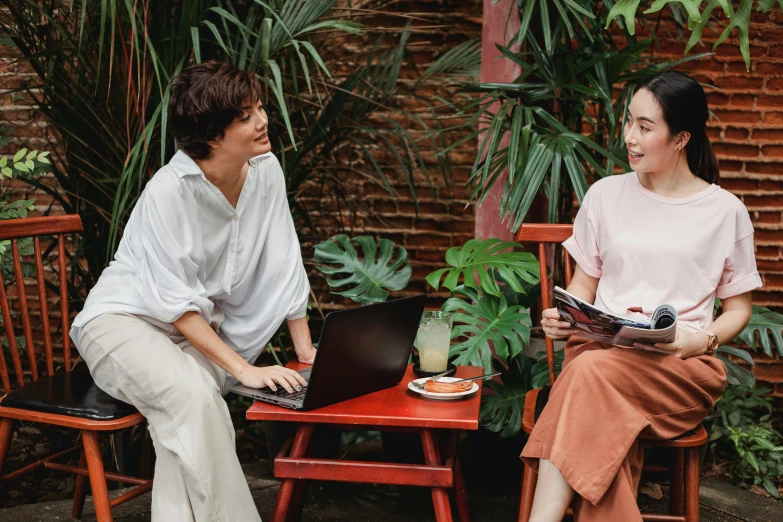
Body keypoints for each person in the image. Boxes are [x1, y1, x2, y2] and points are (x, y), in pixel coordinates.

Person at [70, 61, 315, 522]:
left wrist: (305, 351)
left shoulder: (266, 170)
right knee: (196, 398)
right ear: (212, 135)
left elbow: (284, 260)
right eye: (245, 116)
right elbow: (176, 306)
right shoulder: (169, 191)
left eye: (259, 107)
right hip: (122, 324)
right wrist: (246, 369)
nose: (263, 120)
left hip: (193, 331)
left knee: (183, 420)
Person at [522, 70, 762, 522]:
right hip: (599, 350)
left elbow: (739, 310)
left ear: (681, 138)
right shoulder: (605, 195)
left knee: (587, 381)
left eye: (645, 127)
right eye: (629, 122)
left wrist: (702, 340)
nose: (630, 137)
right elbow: (584, 285)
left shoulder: (724, 211)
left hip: (680, 368)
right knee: (596, 385)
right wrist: (565, 315)